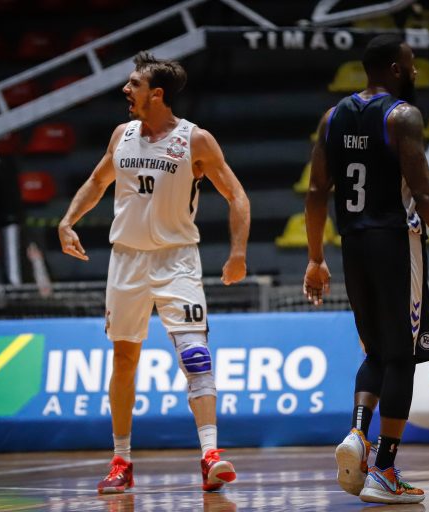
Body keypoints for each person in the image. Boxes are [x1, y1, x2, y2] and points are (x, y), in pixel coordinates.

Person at [58, 51, 250, 494]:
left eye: (134, 84)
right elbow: (97, 182)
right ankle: (121, 460)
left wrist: (238, 253)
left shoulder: (195, 139)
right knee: (124, 359)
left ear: (157, 94)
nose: (126, 90)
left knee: (195, 355)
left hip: (176, 259)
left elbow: (237, 195)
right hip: (127, 260)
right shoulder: (121, 135)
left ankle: (210, 455)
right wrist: (68, 221)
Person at [303, 34, 429, 505]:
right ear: (396, 69)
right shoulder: (402, 116)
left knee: (378, 351)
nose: (416, 70)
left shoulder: (332, 117)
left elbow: (317, 192)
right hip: (397, 242)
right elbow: (425, 193)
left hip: (352, 245)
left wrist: (316, 257)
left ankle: (358, 435)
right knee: (403, 356)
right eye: (411, 63)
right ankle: (383, 470)